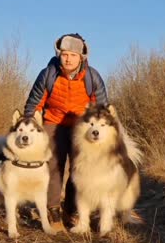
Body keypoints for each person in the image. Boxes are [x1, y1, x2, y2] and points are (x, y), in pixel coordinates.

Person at [24, 33, 108, 231]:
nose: (68, 58)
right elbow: (33, 103)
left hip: (82, 127)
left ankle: (72, 209)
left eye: (72, 55)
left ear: (81, 57)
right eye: (64, 54)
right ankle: (53, 209)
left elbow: (101, 110)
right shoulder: (48, 74)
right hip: (54, 123)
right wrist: (29, 123)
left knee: (79, 169)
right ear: (59, 55)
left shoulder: (92, 77)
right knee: (53, 165)